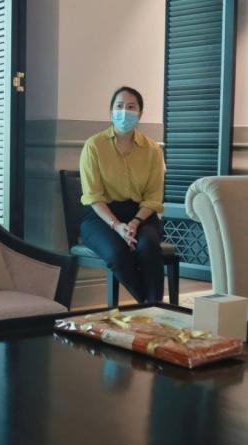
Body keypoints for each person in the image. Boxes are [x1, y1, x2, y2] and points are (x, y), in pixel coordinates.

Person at [79, 85, 166, 303]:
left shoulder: (153, 150)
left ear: (140, 113)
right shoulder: (94, 146)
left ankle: (152, 308)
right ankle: (151, 305)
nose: (124, 111)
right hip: (101, 217)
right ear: (111, 112)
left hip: (141, 216)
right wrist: (117, 225)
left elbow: (153, 197)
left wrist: (135, 222)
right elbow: (93, 196)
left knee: (148, 246)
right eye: (119, 106)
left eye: (131, 107)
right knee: (118, 253)